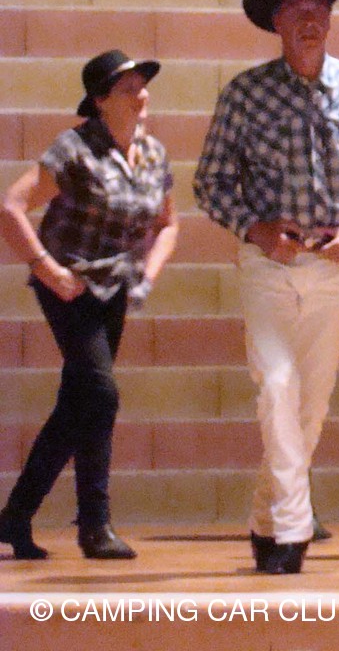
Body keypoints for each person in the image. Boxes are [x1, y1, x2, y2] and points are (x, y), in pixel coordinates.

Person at [194, 0, 339, 575]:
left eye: (320, 7)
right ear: (277, 22)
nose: (310, 18)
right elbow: (209, 182)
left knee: (311, 406)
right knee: (277, 385)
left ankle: (266, 519)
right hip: (268, 263)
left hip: (334, 265)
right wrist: (255, 227)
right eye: (297, 9)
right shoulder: (245, 92)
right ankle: (293, 529)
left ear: (331, 19)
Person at [0, 50, 177, 561]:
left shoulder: (153, 154)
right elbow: (11, 206)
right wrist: (46, 269)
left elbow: (168, 224)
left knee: (76, 405)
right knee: (100, 395)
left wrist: (148, 274)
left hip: (114, 288)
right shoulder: (75, 149)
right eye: (128, 88)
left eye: (142, 86)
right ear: (100, 101)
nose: (141, 96)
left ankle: (14, 516)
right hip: (69, 286)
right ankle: (94, 524)